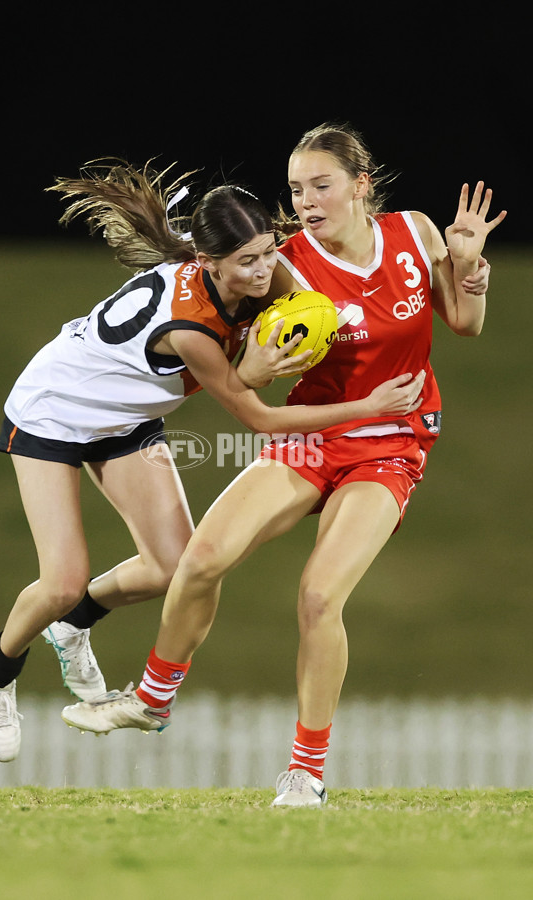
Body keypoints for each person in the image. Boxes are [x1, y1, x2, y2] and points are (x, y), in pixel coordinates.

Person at [61, 123, 506, 806]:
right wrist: (257, 365)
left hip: (392, 443)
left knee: (320, 596)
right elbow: (252, 375)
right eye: (296, 189)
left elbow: (465, 322)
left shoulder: (415, 233)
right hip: (315, 434)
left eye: (321, 185)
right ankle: (151, 701)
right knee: (202, 558)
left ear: (361, 185)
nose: (306, 201)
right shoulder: (288, 265)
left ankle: (305, 772)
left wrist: (471, 269)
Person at [0, 156, 427, 763]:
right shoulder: (191, 325)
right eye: (250, 261)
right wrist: (364, 405)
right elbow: (258, 418)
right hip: (55, 413)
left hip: (126, 419)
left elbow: (301, 324)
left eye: (270, 250)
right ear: (208, 263)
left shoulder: (253, 267)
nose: (268, 269)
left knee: (171, 567)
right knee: (61, 581)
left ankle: (75, 623)